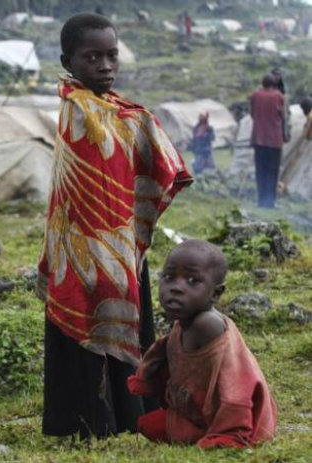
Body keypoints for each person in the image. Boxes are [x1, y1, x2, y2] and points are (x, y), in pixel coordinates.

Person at [37, 13, 192, 441]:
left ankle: (129, 415)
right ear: (68, 61)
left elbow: (137, 156)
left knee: (129, 325)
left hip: (120, 241)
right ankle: (89, 422)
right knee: (83, 333)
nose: (105, 65)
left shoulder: (117, 108)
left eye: (111, 56)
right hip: (81, 247)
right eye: (92, 57)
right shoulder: (78, 108)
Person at [128, 240, 277, 448]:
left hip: (241, 418)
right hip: (201, 413)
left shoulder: (207, 325)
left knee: (152, 425)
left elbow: (236, 384)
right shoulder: (185, 321)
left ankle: (218, 433)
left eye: (192, 280)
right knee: (148, 425)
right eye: (169, 277)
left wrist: (230, 433)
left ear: (216, 293)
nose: (176, 288)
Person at [250, 74, 285, 208]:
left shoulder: (255, 95)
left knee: (260, 170)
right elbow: (282, 117)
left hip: (259, 139)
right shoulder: (278, 96)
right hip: (274, 140)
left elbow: (252, 114)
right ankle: (270, 201)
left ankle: (261, 200)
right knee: (272, 171)